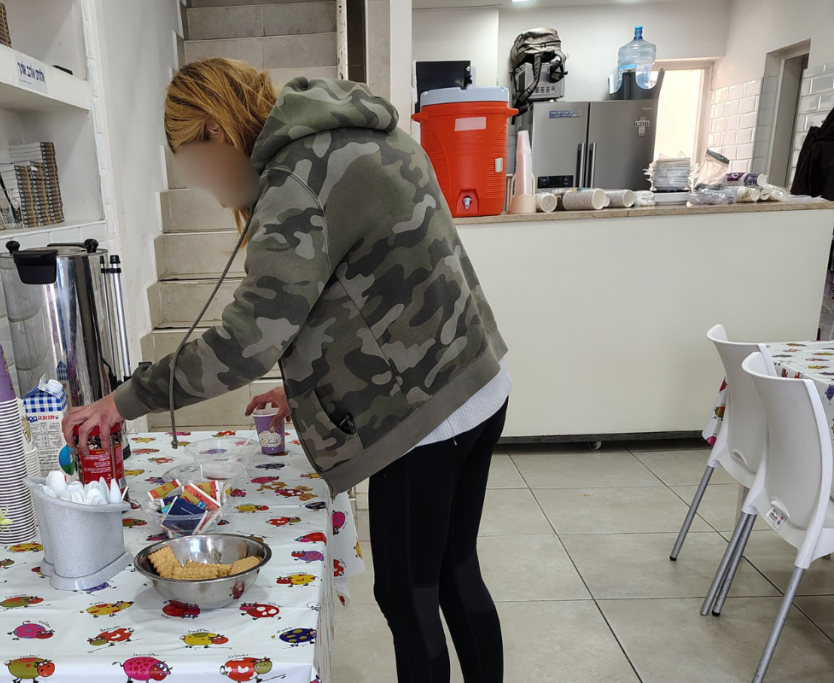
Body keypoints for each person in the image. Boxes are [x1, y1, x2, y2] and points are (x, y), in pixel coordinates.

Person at [63, 58, 512, 683]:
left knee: (408, 595)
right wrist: (310, 386)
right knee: (456, 570)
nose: (206, 188)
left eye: (194, 166)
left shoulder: (297, 178)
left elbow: (247, 341)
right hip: (478, 380)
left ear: (215, 132)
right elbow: (368, 283)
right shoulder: (350, 134)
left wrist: (124, 400)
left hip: (425, 418)